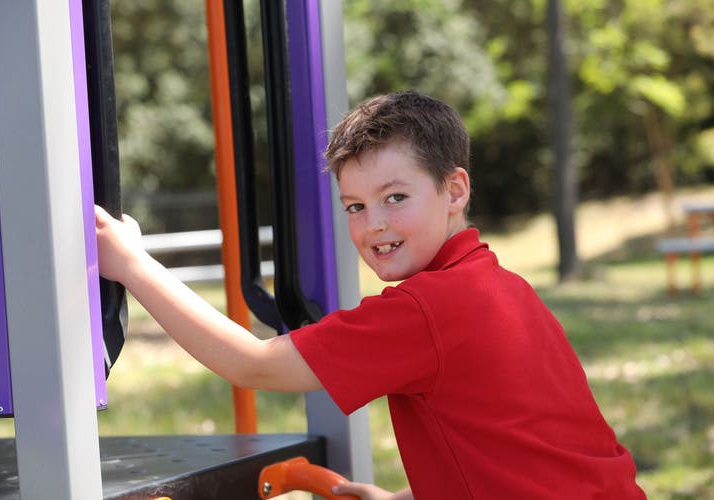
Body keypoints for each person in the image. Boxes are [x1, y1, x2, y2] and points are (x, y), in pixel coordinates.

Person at [95, 90, 646, 499]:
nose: (374, 224)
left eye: (395, 197)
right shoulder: (503, 287)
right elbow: (531, 449)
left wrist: (133, 265)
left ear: (454, 190)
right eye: (355, 206)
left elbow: (255, 365)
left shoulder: (427, 309)